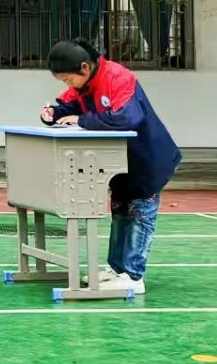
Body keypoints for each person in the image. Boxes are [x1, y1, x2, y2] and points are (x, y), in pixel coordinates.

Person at [41, 39, 182, 294]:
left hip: (146, 158)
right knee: (119, 212)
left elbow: (128, 118)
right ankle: (116, 268)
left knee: (140, 214)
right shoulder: (84, 84)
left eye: (67, 80)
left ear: (85, 67)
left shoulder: (118, 77)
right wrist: (51, 113)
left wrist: (82, 119)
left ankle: (134, 275)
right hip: (116, 163)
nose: (67, 85)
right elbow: (67, 105)